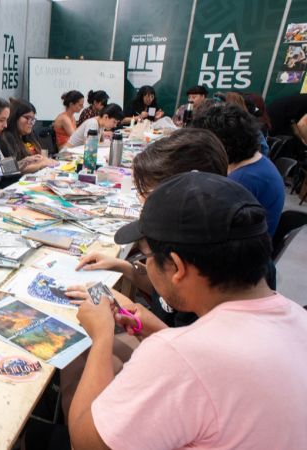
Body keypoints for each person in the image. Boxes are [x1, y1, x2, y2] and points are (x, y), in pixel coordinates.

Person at [67, 172, 307, 450]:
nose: (146, 265)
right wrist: (157, 330)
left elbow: (85, 443)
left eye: (145, 257)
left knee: (76, 362)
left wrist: (102, 335)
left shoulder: (177, 358)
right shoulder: (296, 316)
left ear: (177, 268)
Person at [66, 128, 229, 328]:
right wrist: (122, 265)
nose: (143, 202)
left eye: (149, 195)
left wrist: (121, 309)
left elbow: (174, 344)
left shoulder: (202, 267)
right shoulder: (192, 236)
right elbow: (162, 289)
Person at [191, 103, 284, 236]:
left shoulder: (241, 181)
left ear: (222, 145)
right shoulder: (256, 162)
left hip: (241, 250)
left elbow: (207, 225)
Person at [0, 98, 58, 187]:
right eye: (27, 118)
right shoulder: (5, 138)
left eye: (33, 119)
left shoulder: (29, 135)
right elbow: (8, 169)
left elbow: (41, 157)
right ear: (14, 117)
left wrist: (45, 161)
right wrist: (42, 164)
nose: (31, 122)